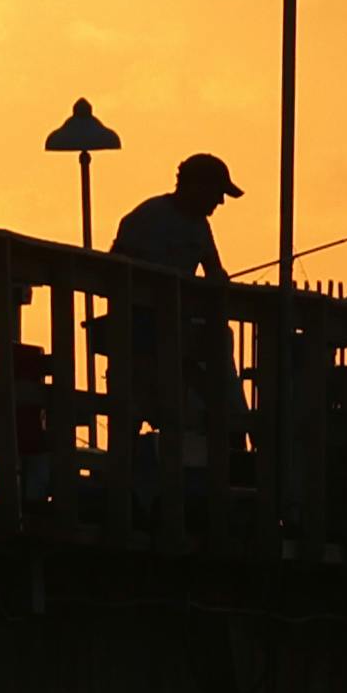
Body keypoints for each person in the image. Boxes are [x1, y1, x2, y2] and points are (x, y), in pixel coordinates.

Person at [102, 146, 241, 459]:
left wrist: (218, 280)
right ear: (196, 187)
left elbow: (214, 269)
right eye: (217, 193)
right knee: (137, 403)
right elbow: (115, 269)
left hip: (177, 331)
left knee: (204, 376)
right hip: (139, 330)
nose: (220, 202)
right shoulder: (145, 218)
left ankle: (224, 439)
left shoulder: (201, 226)